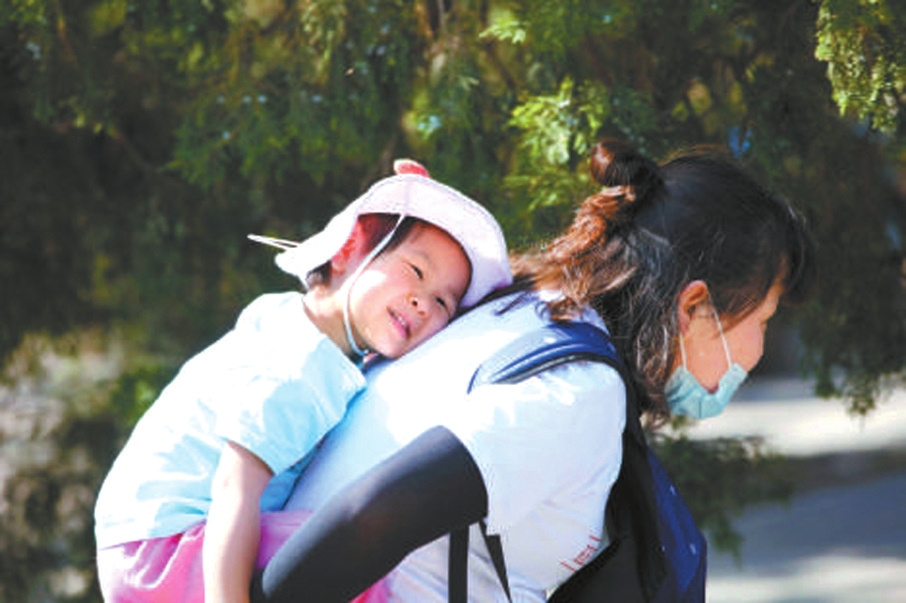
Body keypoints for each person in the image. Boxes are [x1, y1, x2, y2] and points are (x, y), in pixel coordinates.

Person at [248, 139, 817, 602]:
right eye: (763, 319)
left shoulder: (522, 306)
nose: (758, 349)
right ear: (693, 307)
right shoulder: (579, 392)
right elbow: (371, 515)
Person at [92, 165, 513, 603]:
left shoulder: (288, 320)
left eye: (443, 302)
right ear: (347, 250)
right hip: (166, 549)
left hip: (138, 547)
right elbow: (235, 489)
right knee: (361, 552)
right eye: (416, 271)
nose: (423, 303)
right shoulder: (303, 364)